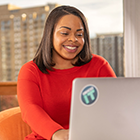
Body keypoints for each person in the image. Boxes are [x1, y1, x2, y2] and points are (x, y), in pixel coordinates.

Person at [17, 5, 116, 140]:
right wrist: (57, 133)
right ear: (50, 34)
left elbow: (115, 105)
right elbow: (30, 109)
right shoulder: (31, 71)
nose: (73, 39)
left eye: (79, 34)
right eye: (65, 33)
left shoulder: (99, 65)